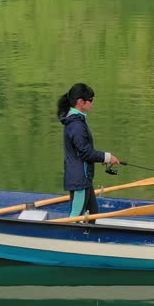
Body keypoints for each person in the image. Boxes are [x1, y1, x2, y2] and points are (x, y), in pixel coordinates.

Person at [57, 83, 121, 219]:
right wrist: (108, 157)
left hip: (83, 177)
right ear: (81, 102)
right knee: (76, 216)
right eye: (90, 100)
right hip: (79, 179)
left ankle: (87, 232)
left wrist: (103, 158)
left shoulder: (77, 120)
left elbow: (85, 151)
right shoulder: (76, 125)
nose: (92, 103)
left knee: (93, 213)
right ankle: (70, 232)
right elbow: (86, 153)